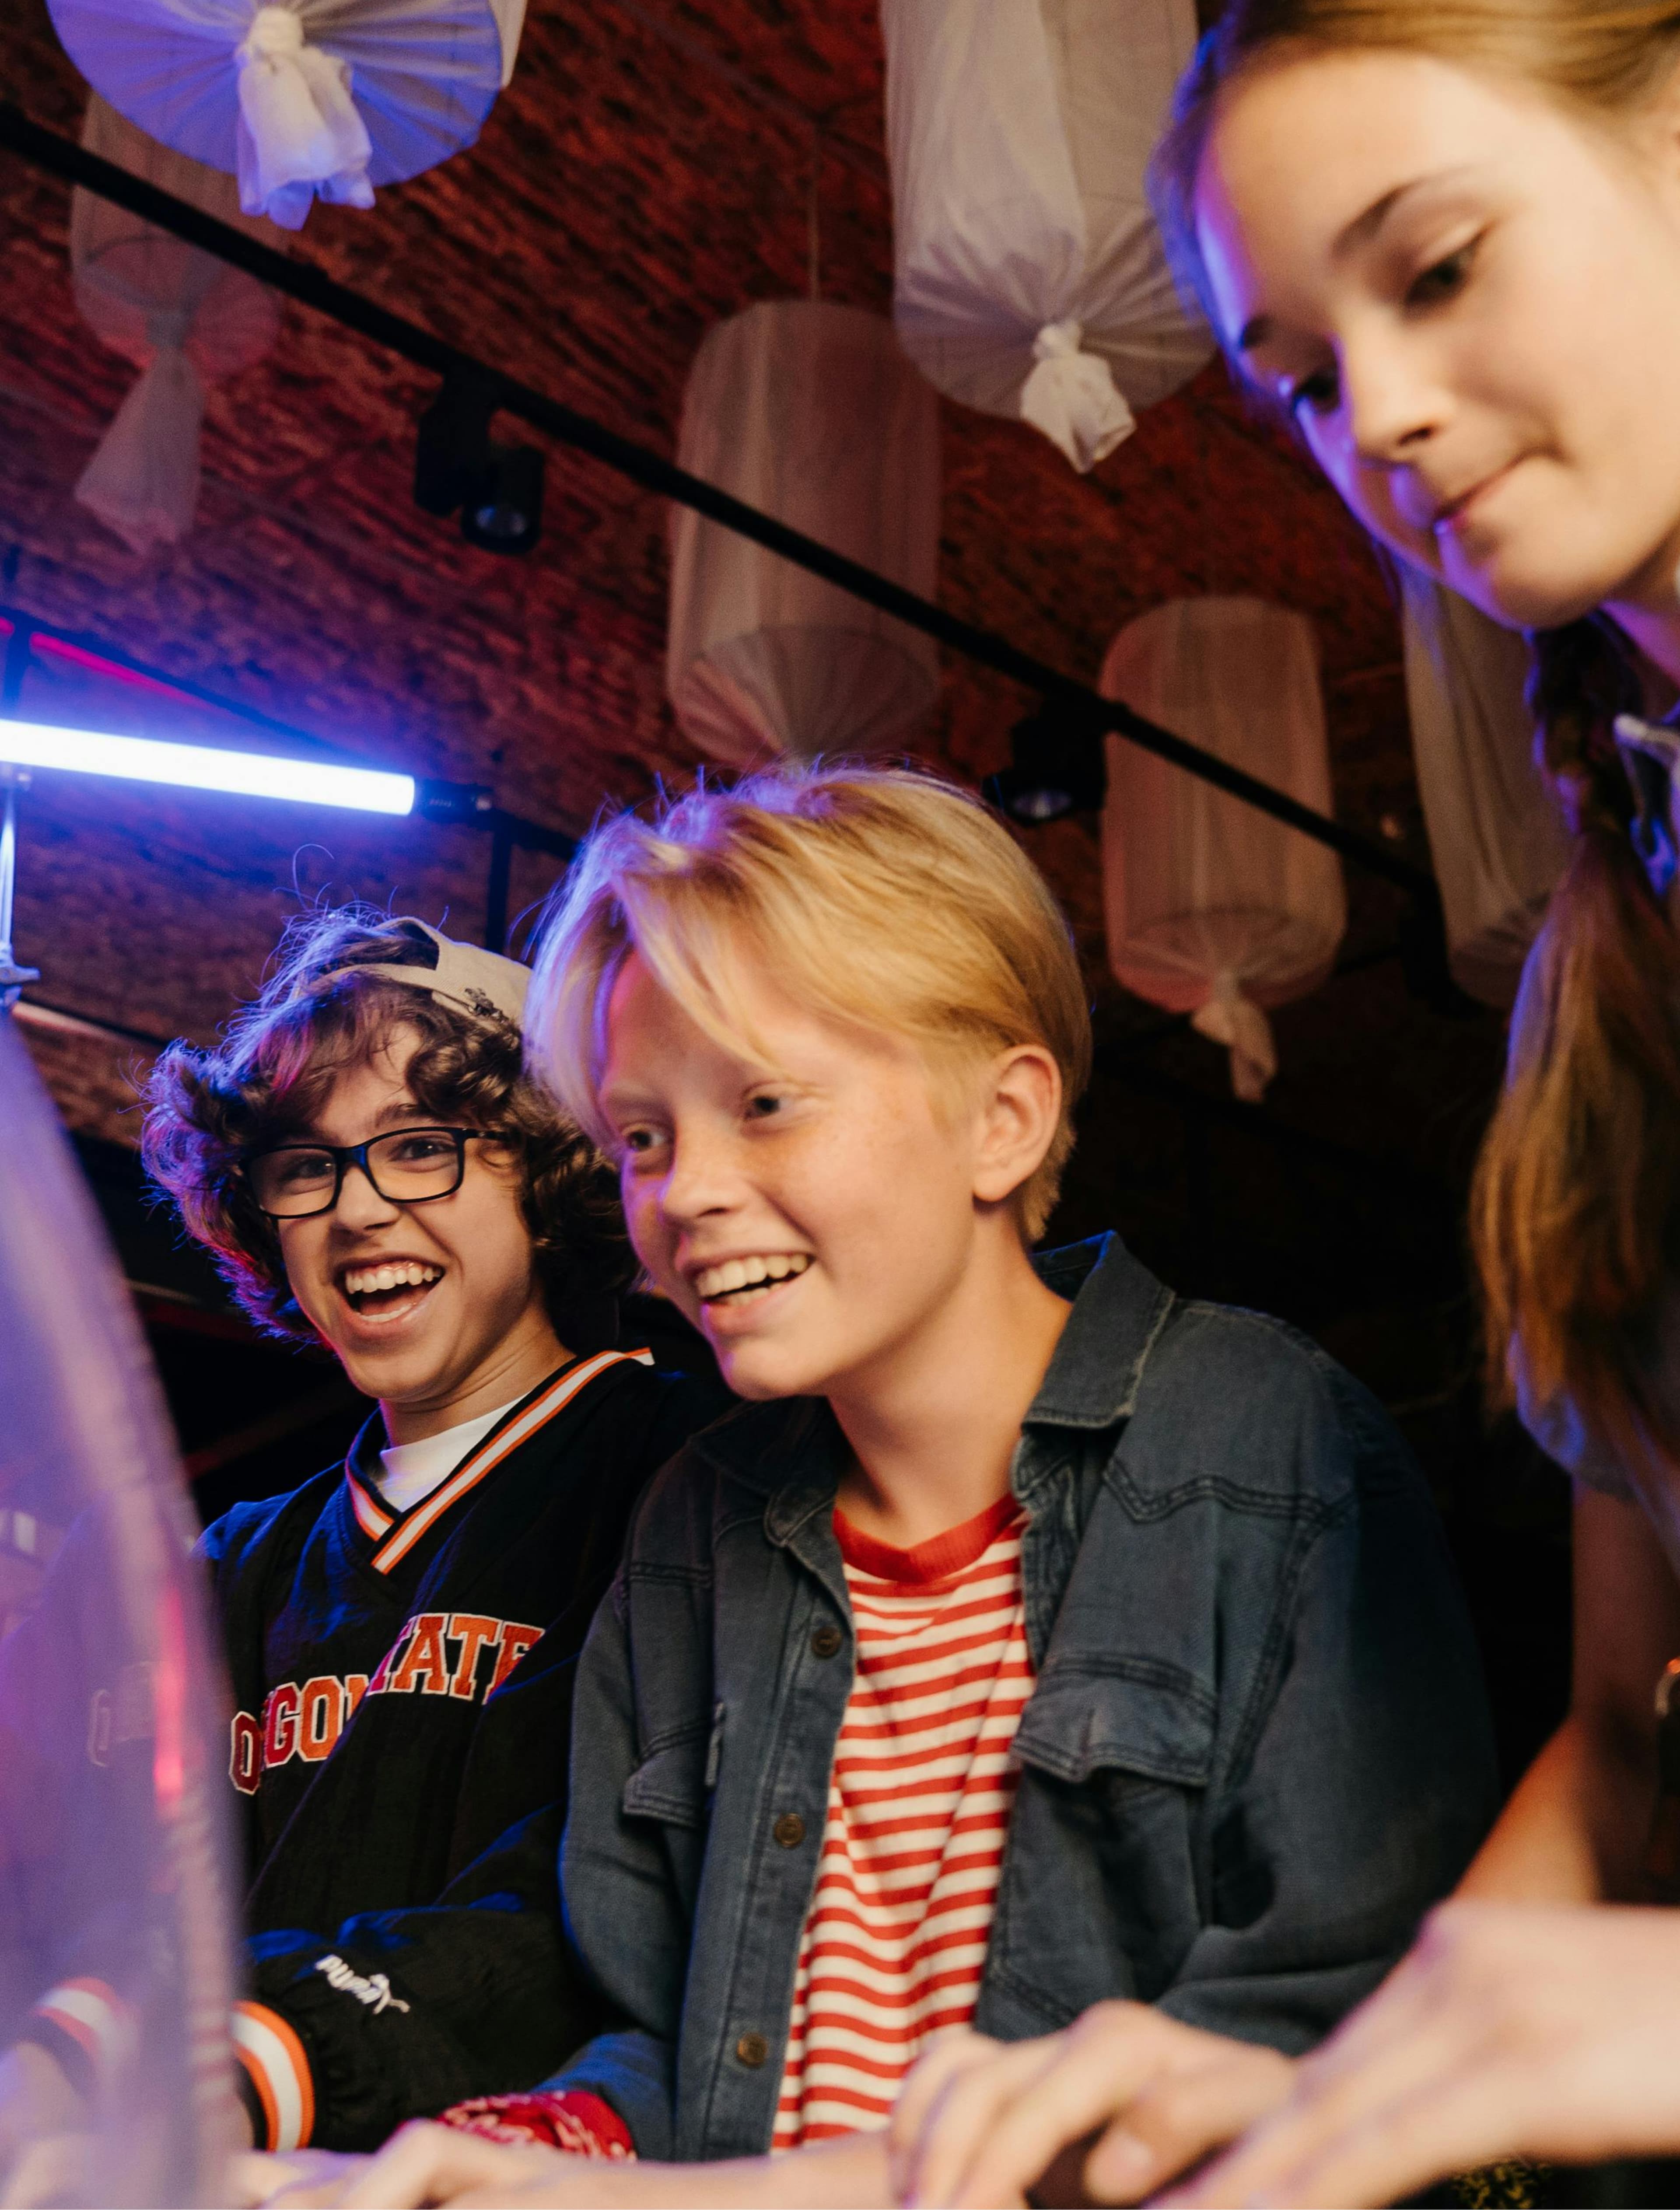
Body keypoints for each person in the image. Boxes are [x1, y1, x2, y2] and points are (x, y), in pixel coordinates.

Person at [242, 766, 1499, 2209]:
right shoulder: (694, 1524)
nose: (686, 1191)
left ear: (1004, 1121)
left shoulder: (1263, 1440)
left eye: (765, 1103)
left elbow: (1334, 2044)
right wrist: (538, 2144)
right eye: (644, 1136)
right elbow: (663, 2034)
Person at [890, 5, 1680, 2203]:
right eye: (1308, 377)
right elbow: (1630, 1748)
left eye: (1432, 269)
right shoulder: (1610, 992)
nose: (1389, 420)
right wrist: (1320, 2098)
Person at [6, 904, 727, 2172]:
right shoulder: (213, 1571)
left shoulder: (693, 1477)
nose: (357, 1209)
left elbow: (599, 1908)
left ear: (551, 1168)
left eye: (420, 1147)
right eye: (306, 1164)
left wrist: (250, 2055)